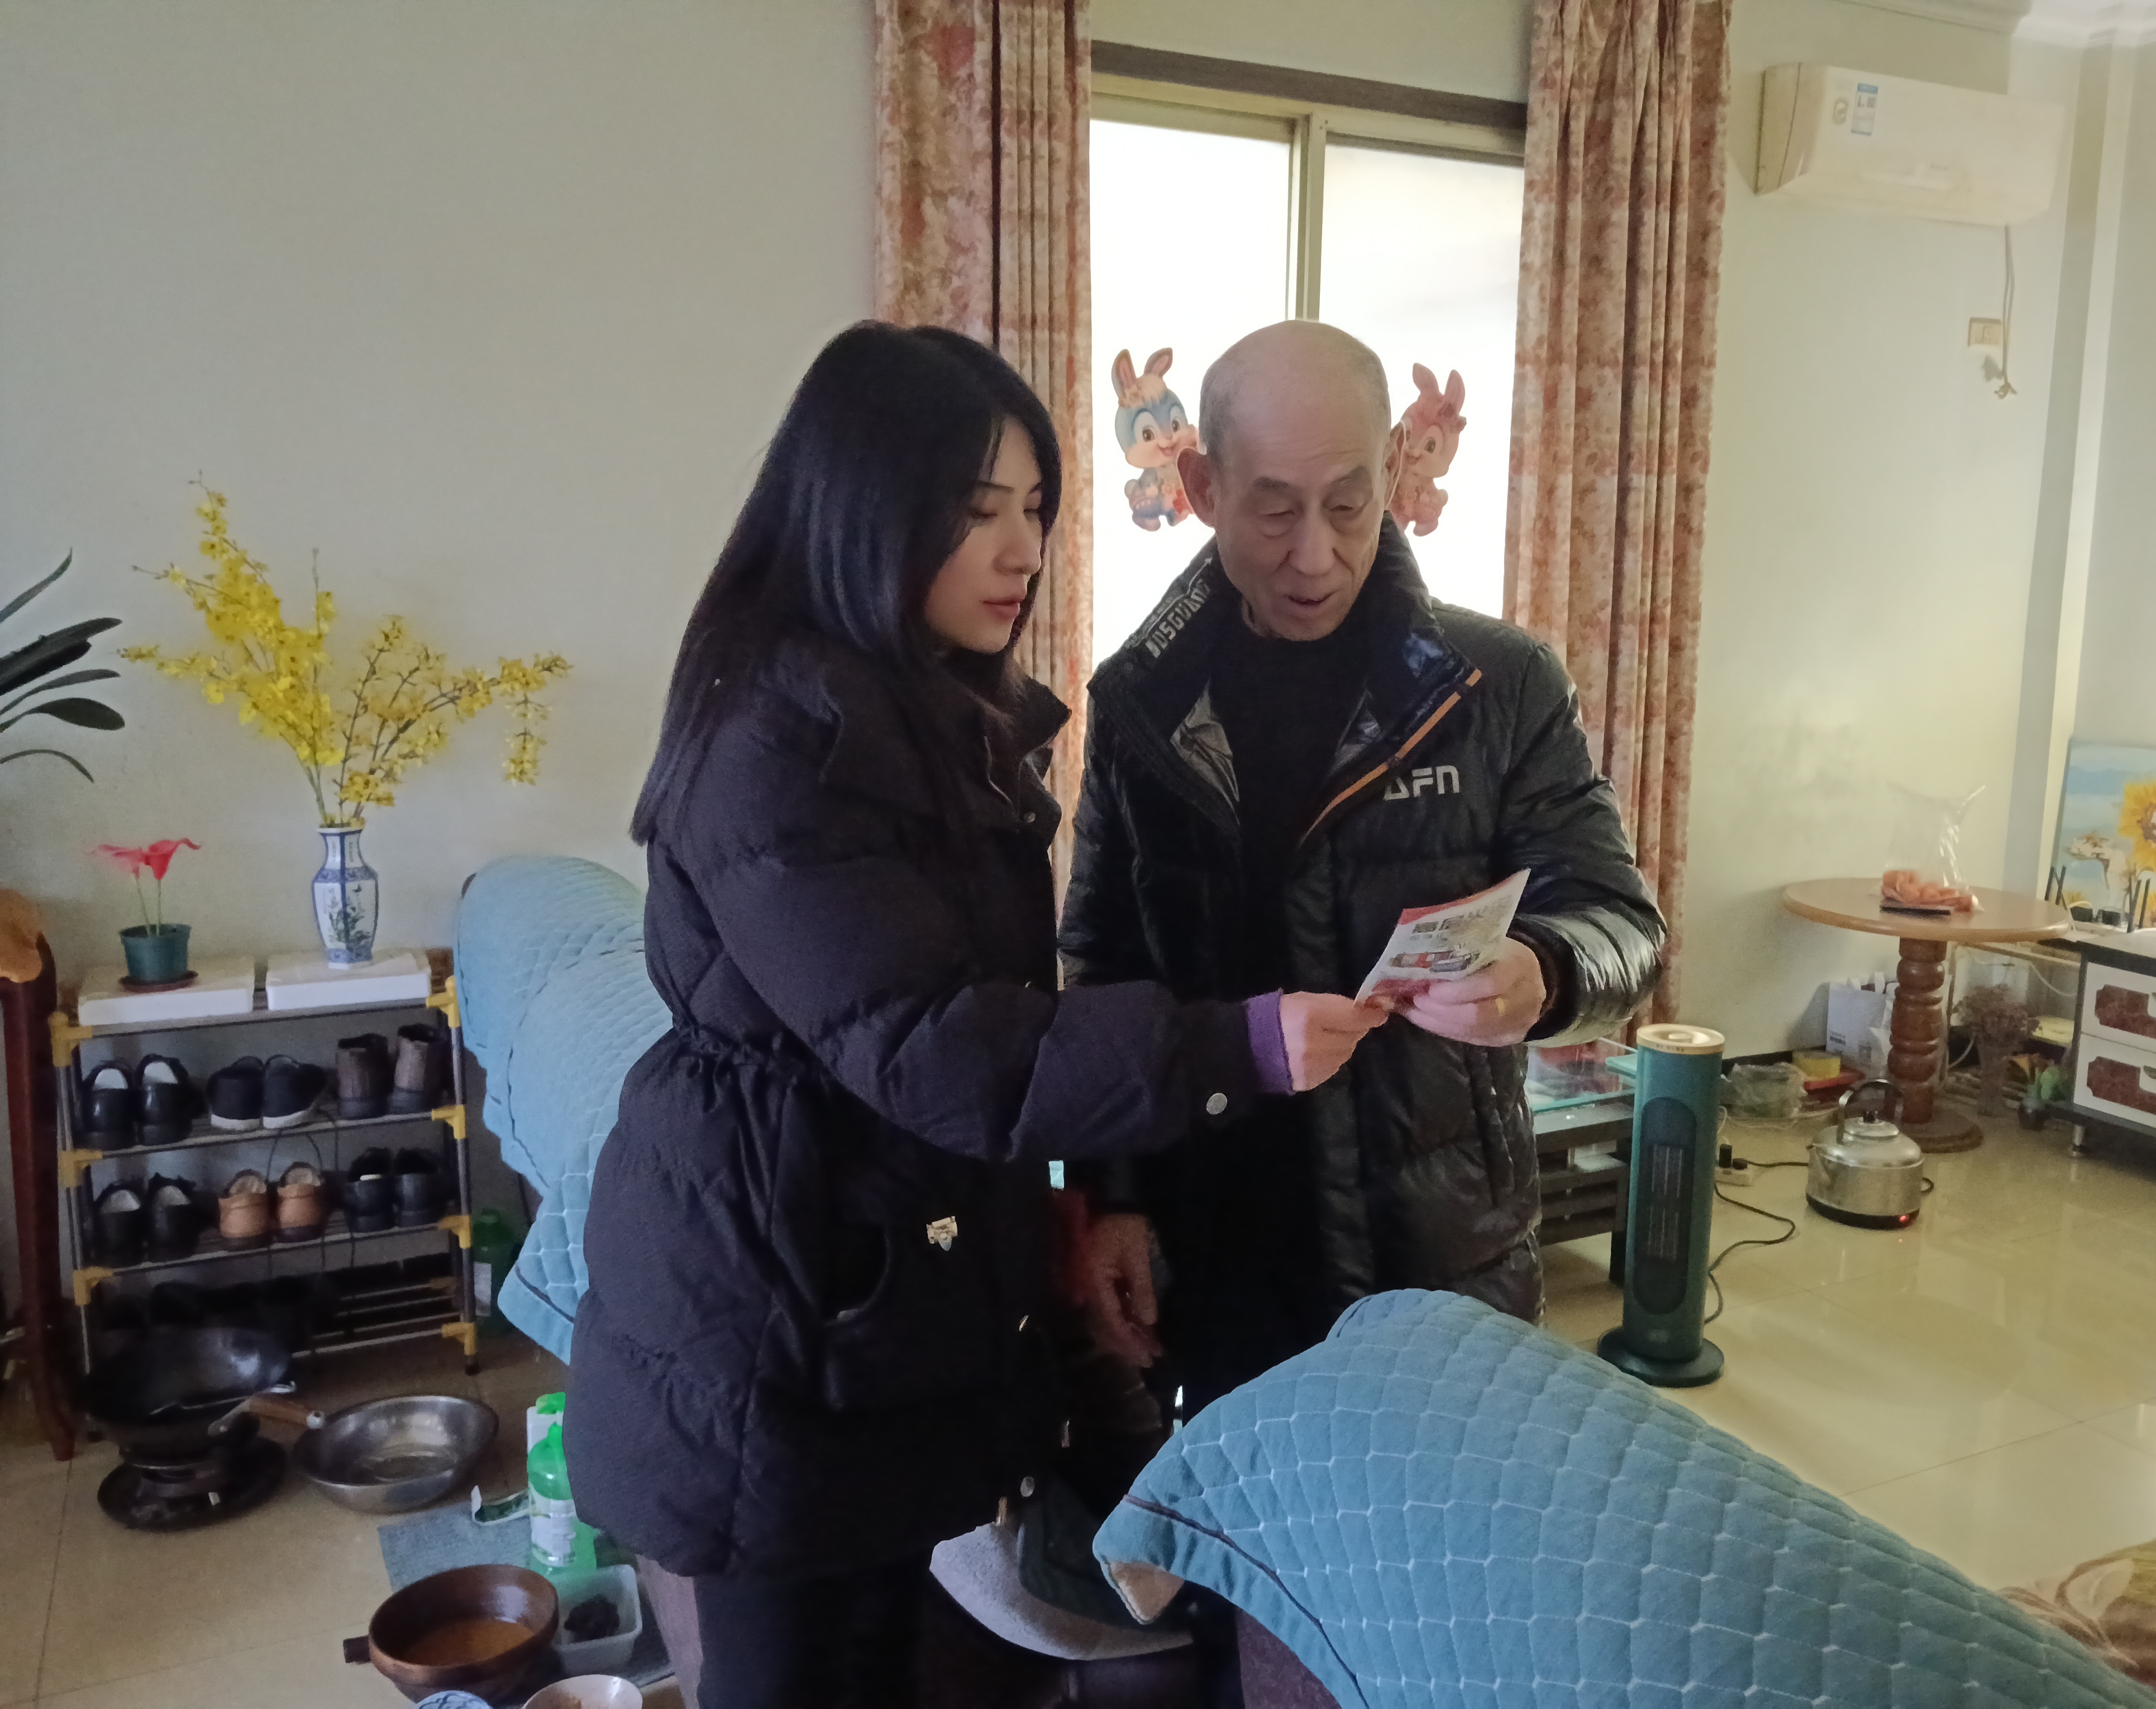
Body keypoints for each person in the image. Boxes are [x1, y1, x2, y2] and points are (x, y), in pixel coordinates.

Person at [567, 322, 1385, 1709]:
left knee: (882, 1655)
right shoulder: (778, 740)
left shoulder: (923, 708)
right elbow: (935, 1044)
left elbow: (987, 1015)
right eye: (976, 511)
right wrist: (1232, 1044)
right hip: (777, 1296)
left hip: (873, 1270)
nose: (1021, 552)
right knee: (794, 1677)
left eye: (1035, 511)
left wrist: (1051, 1207)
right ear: (864, 509)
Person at [1062, 319, 1668, 1419]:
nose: (1316, 555)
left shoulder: (1496, 684)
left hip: (1437, 1247)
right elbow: (1103, 965)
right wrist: (1114, 1197)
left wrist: (1544, 972)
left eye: (1348, 504)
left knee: (1445, 1517)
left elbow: (1620, 922)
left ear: (1392, 470)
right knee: (1254, 1513)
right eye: (1274, 510)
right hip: (1220, 1235)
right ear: (1202, 487)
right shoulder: (1141, 705)